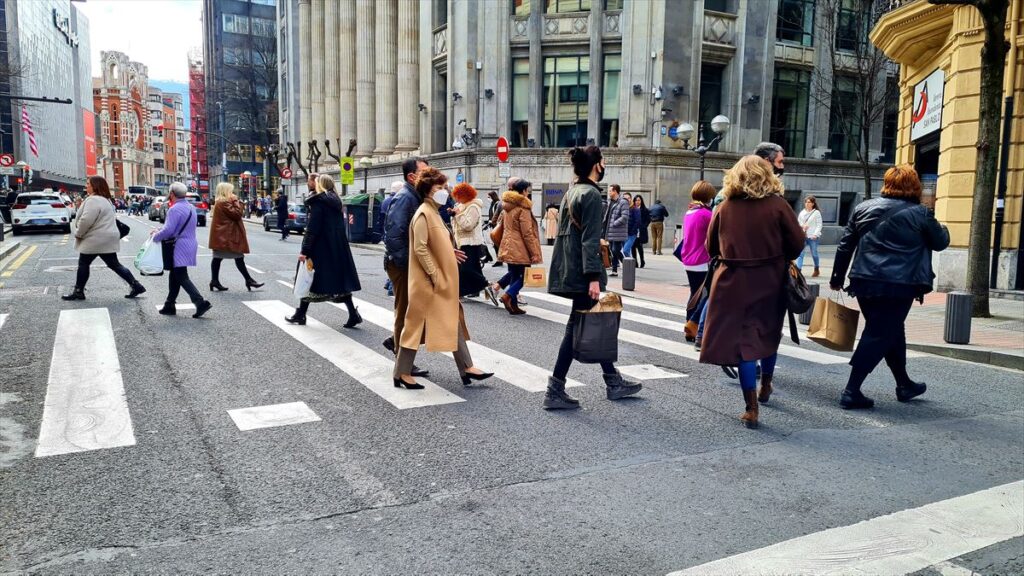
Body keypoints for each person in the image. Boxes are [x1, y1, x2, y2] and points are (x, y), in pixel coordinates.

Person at [831, 165, 949, 410]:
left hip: (863, 282)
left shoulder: (862, 208)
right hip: (898, 285)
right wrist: (944, 229)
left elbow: (845, 245)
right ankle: (851, 390)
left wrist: (836, 277)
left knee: (892, 330)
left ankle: (904, 384)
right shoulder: (921, 213)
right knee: (879, 333)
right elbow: (940, 243)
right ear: (913, 186)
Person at [700, 156, 804, 429]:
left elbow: (710, 247)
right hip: (770, 279)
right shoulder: (779, 206)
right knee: (768, 333)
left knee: (743, 345)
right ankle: (766, 383)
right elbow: (796, 244)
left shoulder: (725, 208)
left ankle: (751, 408)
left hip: (732, 283)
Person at [545, 145, 642, 410]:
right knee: (578, 325)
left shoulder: (573, 191)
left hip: (568, 268)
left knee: (582, 323)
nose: (605, 164)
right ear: (597, 165)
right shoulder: (590, 195)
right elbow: (589, 240)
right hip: (581, 271)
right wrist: (592, 277)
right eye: (603, 160)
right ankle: (557, 388)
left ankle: (611, 380)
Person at [394, 167, 493, 389]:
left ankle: (467, 367)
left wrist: (450, 251)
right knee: (415, 325)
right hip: (429, 282)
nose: (445, 191)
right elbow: (420, 248)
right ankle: (400, 372)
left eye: (445, 187)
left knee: (452, 318)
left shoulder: (434, 212)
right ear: (428, 190)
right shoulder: (423, 213)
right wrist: (435, 274)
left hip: (440, 281)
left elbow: (434, 244)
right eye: (440, 187)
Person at [284, 175, 362, 326]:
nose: (308, 183)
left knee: (308, 279)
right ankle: (353, 314)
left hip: (320, 249)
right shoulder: (336, 201)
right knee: (337, 284)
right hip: (336, 248)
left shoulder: (318, 203)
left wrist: (305, 250)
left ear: (319, 185)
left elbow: (312, 230)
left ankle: (300, 314)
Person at [383, 157, 431, 378]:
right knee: (404, 312)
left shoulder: (416, 195)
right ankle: (402, 362)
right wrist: (407, 265)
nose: (429, 174)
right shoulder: (405, 198)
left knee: (412, 310)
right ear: (412, 176)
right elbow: (394, 233)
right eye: (425, 171)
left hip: (409, 263)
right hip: (403, 264)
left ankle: (396, 342)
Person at [61, 176, 146, 301]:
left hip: (94, 239)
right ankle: (136, 285)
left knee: (84, 263)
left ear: (95, 186)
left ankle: (78, 291)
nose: (86, 186)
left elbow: (86, 220)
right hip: (106, 238)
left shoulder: (93, 200)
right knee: (114, 264)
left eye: (88, 183)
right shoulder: (106, 200)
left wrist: (78, 233)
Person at [152, 182, 212, 318]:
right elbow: (178, 227)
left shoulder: (174, 209)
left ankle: (200, 302)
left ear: (172, 194)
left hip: (178, 245)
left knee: (181, 275)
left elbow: (169, 230)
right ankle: (169, 304)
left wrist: (156, 236)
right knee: (175, 274)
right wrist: (160, 230)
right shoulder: (190, 207)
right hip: (190, 243)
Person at [493, 178, 541, 315]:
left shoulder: (507, 205)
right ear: (524, 191)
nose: (528, 193)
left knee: (514, 274)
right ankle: (508, 295)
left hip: (508, 244)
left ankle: (513, 305)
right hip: (520, 246)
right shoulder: (523, 208)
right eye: (527, 191)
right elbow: (527, 233)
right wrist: (534, 252)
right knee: (525, 276)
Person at [208, 182, 264, 292]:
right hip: (227, 237)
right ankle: (248, 280)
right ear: (226, 191)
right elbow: (237, 214)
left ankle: (215, 281)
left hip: (223, 236)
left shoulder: (220, 202)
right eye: (231, 191)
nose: (233, 193)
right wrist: (235, 201)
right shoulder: (224, 202)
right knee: (237, 257)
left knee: (219, 258)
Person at [679, 181, 716, 340]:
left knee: (695, 294)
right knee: (705, 296)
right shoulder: (706, 214)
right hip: (701, 260)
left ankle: (690, 325)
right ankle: (693, 325)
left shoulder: (690, 212)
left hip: (688, 259)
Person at [452, 181, 498, 306]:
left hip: (471, 242)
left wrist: (457, 214)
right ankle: (467, 290)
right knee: (468, 268)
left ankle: (487, 285)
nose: (456, 197)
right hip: (461, 242)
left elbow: (468, 225)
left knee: (467, 268)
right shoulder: (461, 205)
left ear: (465, 195)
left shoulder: (473, 206)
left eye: (458, 195)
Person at [380, 181, 404, 297]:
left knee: (391, 259)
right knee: (396, 261)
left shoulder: (385, 201)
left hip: (387, 234)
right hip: (394, 235)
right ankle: (391, 287)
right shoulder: (398, 200)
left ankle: (388, 283)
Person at [603, 184, 629, 277]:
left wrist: (614, 223)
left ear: (615, 191)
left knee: (615, 250)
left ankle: (627, 264)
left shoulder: (623, 202)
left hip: (618, 231)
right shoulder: (610, 202)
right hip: (610, 231)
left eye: (610, 191)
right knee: (613, 250)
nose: (609, 192)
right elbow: (607, 215)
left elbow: (625, 217)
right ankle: (615, 270)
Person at [797, 195, 824, 276]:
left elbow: (819, 225)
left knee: (814, 254)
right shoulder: (802, 212)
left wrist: (815, 234)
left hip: (813, 237)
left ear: (813, 203)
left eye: (809, 202)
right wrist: (802, 226)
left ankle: (816, 269)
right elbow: (798, 222)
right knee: (800, 254)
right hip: (803, 235)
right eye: (806, 202)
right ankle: (798, 271)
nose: (807, 204)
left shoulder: (816, 213)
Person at [487, 186, 508, 268]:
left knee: (497, 244)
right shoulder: (493, 204)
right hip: (495, 226)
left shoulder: (498, 204)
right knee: (495, 244)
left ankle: (500, 259)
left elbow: (497, 215)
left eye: (489, 197)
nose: (488, 198)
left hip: (498, 226)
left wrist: (493, 221)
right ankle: (499, 259)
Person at [631, 194, 651, 268]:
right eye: (636, 200)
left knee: (639, 246)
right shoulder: (632, 209)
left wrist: (644, 226)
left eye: (639, 200)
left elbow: (648, 219)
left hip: (641, 231)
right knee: (632, 246)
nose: (637, 202)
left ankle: (642, 260)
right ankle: (635, 262)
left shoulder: (645, 210)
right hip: (633, 230)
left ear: (641, 201)